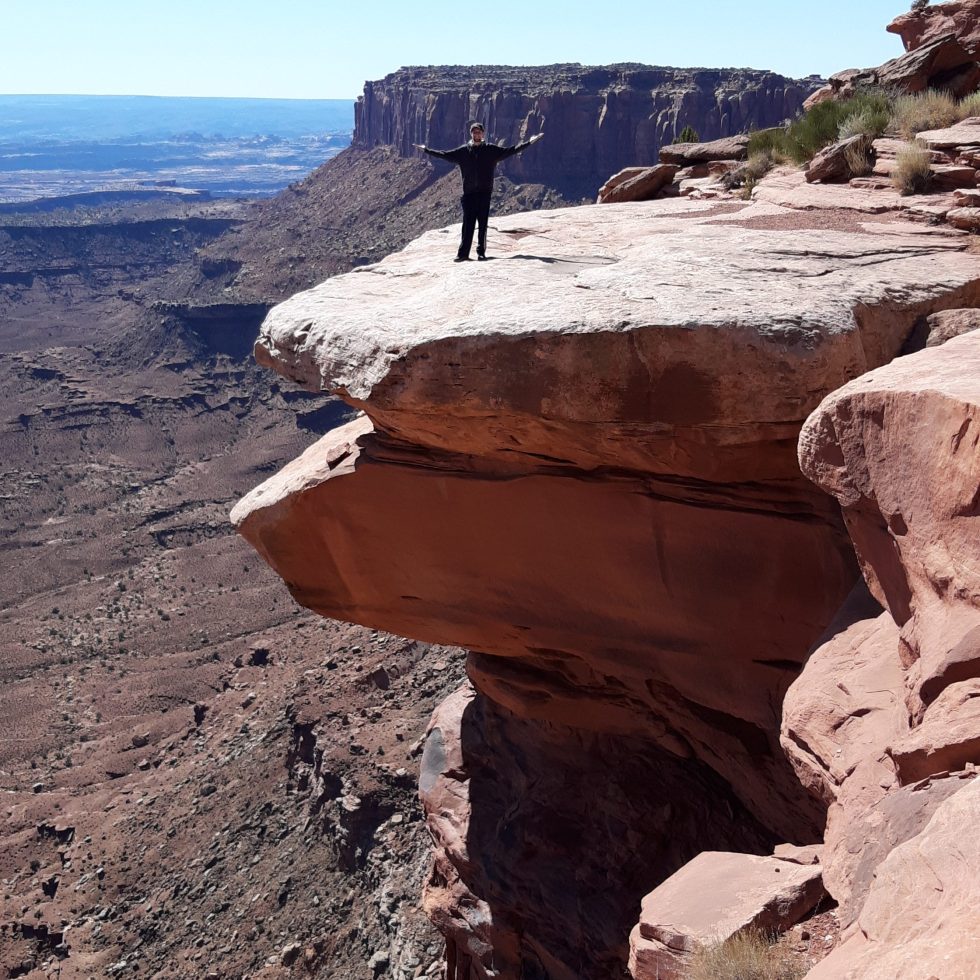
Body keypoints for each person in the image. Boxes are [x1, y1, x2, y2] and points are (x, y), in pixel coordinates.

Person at [413, 123, 544, 262]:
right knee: (467, 225)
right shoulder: (463, 151)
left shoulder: (490, 150)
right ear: (471, 134)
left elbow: (511, 151)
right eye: (474, 132)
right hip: (469, 195)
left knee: (482, 225)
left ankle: (481, 253)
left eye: (479, 132)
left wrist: (529, 142)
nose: (477, 134)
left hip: (484, 193)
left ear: (483, 133)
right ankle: (463, 254)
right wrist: (426, 150)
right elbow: (444, 155)